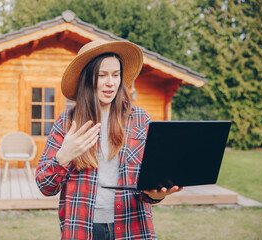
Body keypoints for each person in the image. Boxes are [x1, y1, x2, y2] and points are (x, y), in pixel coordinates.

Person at [35, 40, 182, 240]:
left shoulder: (139, 119)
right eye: (102, 75)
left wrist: (157, 194)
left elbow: (148, 183)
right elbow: (46, 186)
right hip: (83, 229)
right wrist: (63, 156)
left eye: (115, 74)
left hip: (133, 228)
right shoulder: (67, 123)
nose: (110, 82)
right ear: (88, 79)